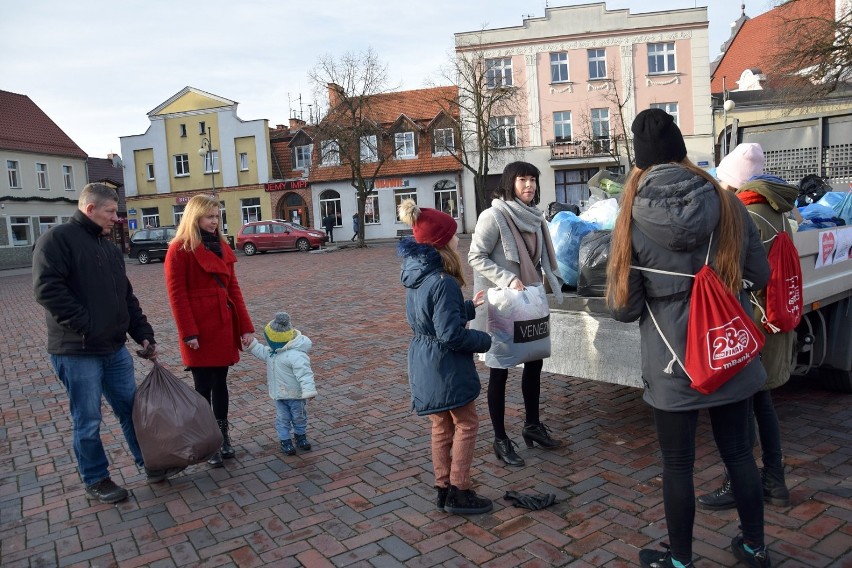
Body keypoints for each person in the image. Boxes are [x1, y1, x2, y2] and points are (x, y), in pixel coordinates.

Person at [607, 108, 772, 568]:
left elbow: (623, 308)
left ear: (640, 162)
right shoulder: (728, 203)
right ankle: (755, 548)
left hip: (671, 360)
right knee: (739, 453)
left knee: (677, 464)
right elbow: (759, 275)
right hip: (727, 348)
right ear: (682, 153)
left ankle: (680, 560)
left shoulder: (629, 218)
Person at [33, 183, 182, 504]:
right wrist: (88, 326)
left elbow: (126, 298)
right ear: (90, 209)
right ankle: (96, 478)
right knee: (87, 419)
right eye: (111, 212)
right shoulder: (57, 241)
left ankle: (150, 463)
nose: (117, 218)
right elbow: (47, 290)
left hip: (113, 350)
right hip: (76, 351)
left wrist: (144, 333)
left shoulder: (109, 249)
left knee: (131, 410)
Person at [698, 143, 795, 511]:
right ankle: (774, 480)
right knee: (762, 400)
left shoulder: (745, 215)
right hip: (774, 317)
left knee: (741, 404)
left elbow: (735, 275)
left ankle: (738, 482)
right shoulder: (777, 208)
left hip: (753, 322)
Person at [397, 199, 493, 515]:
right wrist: (485, 340)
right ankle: (459, 490)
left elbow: (431, 318)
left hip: (425, 362)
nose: (458, 239)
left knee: (441, 427)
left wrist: (466, 308)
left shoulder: (417, 277)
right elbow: (450, 334)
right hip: (445, 365)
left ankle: (442, 488)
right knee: (466, 423)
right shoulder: (444, 282)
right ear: (442, 243)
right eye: (453, 235)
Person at [468, 161, 564, 467]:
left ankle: (532, 426)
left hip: (527, 302)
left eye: (533, 180)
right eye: (523, 179)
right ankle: (500, 438)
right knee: (500, 369)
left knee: (534, 362)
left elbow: (538, 261)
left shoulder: (536, 219)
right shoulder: (493, 216)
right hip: (501, 305)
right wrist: (507, 278)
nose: (530, 185)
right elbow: (475, 256)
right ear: (510, 182)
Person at [165, 194, 254, 468]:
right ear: (195, 217)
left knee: (221, 384)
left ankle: (223, 435)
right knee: (202, 388)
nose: (214, 221)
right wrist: (188, 332)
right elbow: (177, 295)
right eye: (209, 216)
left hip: (223, 324)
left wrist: (245, 327)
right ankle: (208, 441)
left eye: (217, 216)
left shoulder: (222, 247)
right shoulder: (179, 249)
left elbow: (234, 290)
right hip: (200, 330)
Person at [245, 312, 317, 456]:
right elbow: (262, 351)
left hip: (295, 395)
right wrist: (252, 344)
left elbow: (305, 373)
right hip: (279, 395)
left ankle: (300, 436)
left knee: (299, 417)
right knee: (282, 419)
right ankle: (285, 440)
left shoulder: (296, 355)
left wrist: (309, 390)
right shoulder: (273, 352)